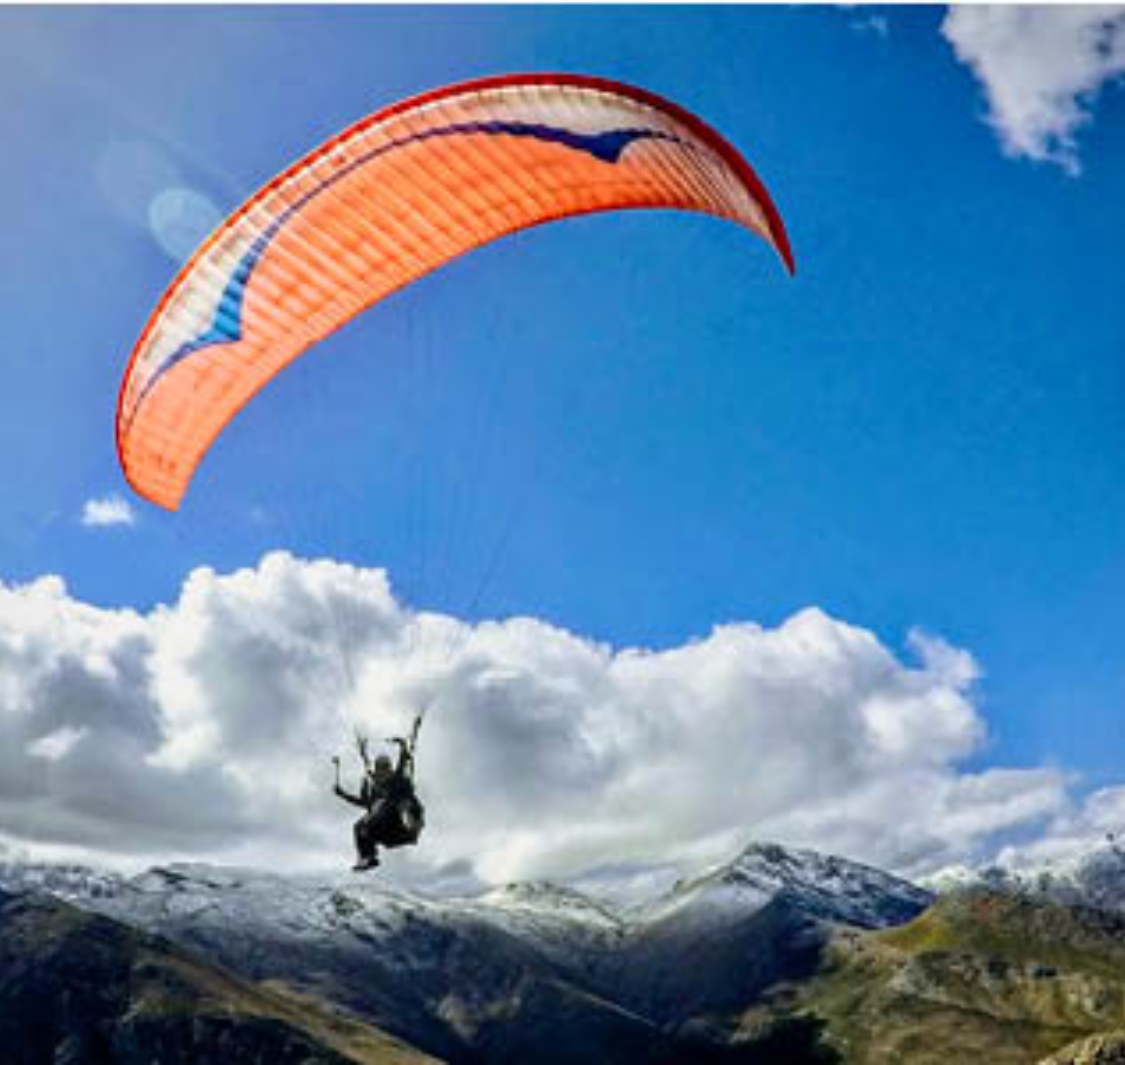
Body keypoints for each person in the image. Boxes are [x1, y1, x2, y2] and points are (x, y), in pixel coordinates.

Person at [333, 727, 423, 872]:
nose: (383, 773)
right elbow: (363, 803)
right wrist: (342, 794)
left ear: (390, 769)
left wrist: (403, 747)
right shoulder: (376, 791)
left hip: (406, 825)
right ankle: (368, 857)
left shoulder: (396, 780)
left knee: (391, 802)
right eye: (380, 770)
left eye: (386, 768)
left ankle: (408, 820)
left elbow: (401, 767)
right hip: (390, 835)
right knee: (359, 826)